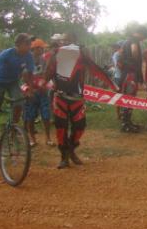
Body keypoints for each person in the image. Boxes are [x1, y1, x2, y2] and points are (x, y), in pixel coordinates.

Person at [45, 32, 117, 169]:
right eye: (63, 41)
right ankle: (64, 157)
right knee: (61, 129)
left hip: (77, 99)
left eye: (69, 41)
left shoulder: (81, 56)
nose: (65, 44)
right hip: (60, 97)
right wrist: (41, 84)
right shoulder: (55, 56)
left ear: (75, 43)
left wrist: (112, 85)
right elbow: (48, 72)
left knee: (80, 127)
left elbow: (96, 69)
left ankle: (71, 149)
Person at [0, 33, 34, 156]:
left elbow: (29, 73)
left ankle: (11, 128)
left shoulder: (28, 56)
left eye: (30, 44)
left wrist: (30, 89)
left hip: (13, 82)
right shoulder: (7, 53)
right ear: (18, 45)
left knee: (19, 102)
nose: (29, 46)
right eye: (27, 44)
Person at [117, 26, 147, 133]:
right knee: (129, 98)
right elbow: (135, 52)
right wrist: (136, 63)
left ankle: (127, 122)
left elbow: (120, 55)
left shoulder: (126, 41)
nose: (143, 39)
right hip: (131, 74)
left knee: (127, 97)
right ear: (140, 34)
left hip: (126, 73)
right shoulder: (134, 41)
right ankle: (126, 124)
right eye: (144, 37)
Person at [23, 38, 53, 147]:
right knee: (30, 115)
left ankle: (48, 138)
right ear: (35, 49)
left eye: (42, 48)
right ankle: (32, 139)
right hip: (31, 91)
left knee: (46, 114)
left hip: (42, 90)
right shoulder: (27, 60)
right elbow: (25, 76)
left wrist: (44, 83)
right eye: (40, 48)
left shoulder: (43, 60)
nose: (42, 50)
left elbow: (46, 74)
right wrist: (32, 88)